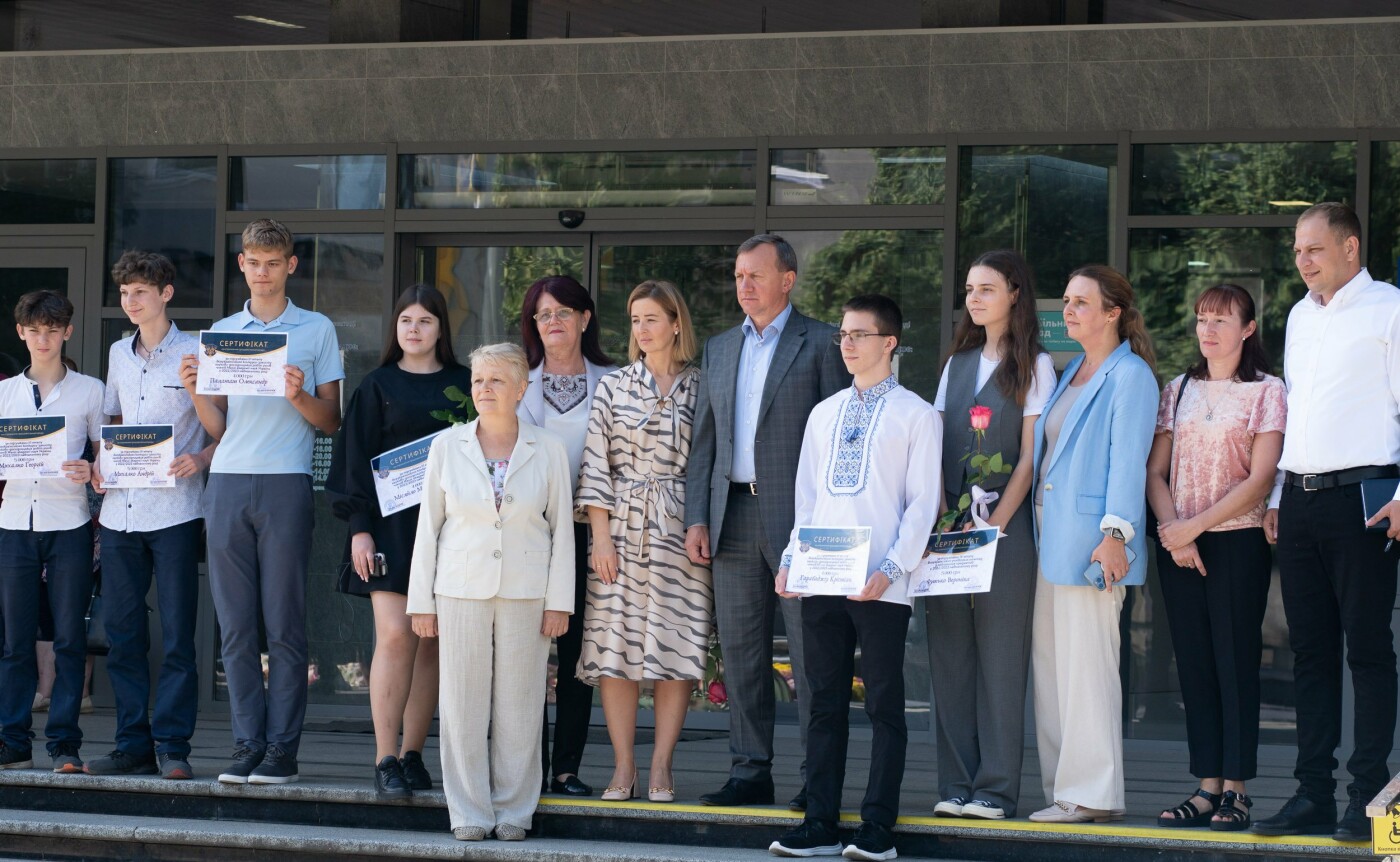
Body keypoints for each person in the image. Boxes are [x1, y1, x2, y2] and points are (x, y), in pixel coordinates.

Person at [768, 294, 941, 861]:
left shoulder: (917, 414)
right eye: (842, 334)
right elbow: (808, 499)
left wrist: (893, 570)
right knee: (822, 703)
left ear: (888, 342)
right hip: (822, 578)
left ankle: (877, 829)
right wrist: (793, 557)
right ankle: (819, 822)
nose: (846, 344)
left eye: (858, 335)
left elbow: (924, 504)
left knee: (885, 705)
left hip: (882, 584)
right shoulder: (824, 413)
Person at [685, 234, 849, 810]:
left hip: (800, 522)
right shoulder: (720, 347)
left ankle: (816, 778)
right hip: (731, 516)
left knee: (812, 655)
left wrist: (826, 523)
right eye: (737, 276)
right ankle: (750, 771)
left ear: (788, 279)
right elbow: (704, 441)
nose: (744, 286)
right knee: (743, 653)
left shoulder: (825, 343)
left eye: (756, 275)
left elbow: (836, 443)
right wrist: (696, 517)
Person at [1252, 202, 1400, 843]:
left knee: (1367, 652)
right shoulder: (1298, 317)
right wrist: (1280, 494)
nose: (1302, 260)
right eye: (1296, 250)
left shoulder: (1389, 307)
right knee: (1309, 653)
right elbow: (1301, 410)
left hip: (1368, 496)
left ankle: (1367, 798)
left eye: (1314, 248)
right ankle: (1312, 794)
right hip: (1304, 500)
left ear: (1350, 248)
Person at [181, 218, 343, 785]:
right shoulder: (222, 332)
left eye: (274, 262)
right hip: (226, 481)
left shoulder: (317, 329)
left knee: (285, 623)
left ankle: (283, 751)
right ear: (243, 265)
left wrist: (297, 394)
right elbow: (217, 427)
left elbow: (331, 422)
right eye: (254, 261)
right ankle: (247, 744)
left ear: (290, 266)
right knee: (234, 627)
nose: (263, 271)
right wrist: (195, 390)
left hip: (285, 481)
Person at [408, 343, 574, 842]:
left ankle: (515, 811)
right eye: (479, 380)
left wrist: (560, 601)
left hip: (527, 592)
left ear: (522, 389)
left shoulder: (548, 449)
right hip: (459, 590)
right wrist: (422, 602)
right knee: (461, 703)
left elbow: (562, 529)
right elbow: (428, 529)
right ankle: (469, 812)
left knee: (521, 704)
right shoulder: (446, 446)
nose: (484, 389)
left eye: (497, 380)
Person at [1146, 284, 1285, 831]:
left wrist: (1192, 528)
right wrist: (1172, 532)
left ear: (1247, 329)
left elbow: (1262, 477)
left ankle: (1237, 789)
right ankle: (1206, 786)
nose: (1208, 329)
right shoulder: (1176, 389)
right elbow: (1156, 472)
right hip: (1179, 544)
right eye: (1202, 317)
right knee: (1195, 664)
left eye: (1222, 320)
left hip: (1236, 542)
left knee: (1234, 663)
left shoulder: (1266, 391)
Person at [327, 284, 470, 798]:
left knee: (430, 643)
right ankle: (384, 757)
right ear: (396, 329)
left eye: (425, 321)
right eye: (405, 320)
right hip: (387, 529)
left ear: (440, 329)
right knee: (394, 637)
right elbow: (353, 463)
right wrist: (359, 531)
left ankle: (413, 754)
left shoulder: (466, 385)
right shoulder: (377, 385)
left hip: (451, 530)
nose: (414, 329)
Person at [927, 250, 1054, 821]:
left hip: (1006, 533)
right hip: (949, 530)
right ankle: (955, 784)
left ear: (1015, 295)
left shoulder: (1037, 366)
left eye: (986, 289)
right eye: (969, 289)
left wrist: (993, 526)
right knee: (949, 657)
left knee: (1002, 661)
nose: (973, 299)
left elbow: (1029, 460)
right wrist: (939, 516)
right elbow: (931, 447)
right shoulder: (956, 364)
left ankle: (996, 792)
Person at [1028, 265, 1157, 823]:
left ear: (1113, 312)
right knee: (1053, 669)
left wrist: (1116, 536)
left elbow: (1128, 464)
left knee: (1088, 672)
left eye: (1082, 302)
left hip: (1093, 546)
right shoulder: (1074, 368)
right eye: (1066, 301)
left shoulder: (1131, 376)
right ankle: (1065, 791)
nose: (1068, 310)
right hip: (1049, 541)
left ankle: (1091, 794)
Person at [575, 280, 712, 803]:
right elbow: (595, 464)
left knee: (675, 648)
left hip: (681, 529)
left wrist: (699, 523)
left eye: (652, 318)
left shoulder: (701, 386)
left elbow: (708, 463)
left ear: (676, 323)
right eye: (635, 320)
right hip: (622, 529)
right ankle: (624, 766)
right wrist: (601, 539)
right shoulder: (614, 385)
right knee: (616, 650)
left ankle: (661, 766)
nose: (642, 329)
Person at [83, 252, 214, 780]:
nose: (130, 301)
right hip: (119, 513)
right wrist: (99, 463)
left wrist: (199, 459)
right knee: (123, 631)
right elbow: (112, 422)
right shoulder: (117, 352)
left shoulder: (197, 351)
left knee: (180, 632)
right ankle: (131, 743)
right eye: (124, 293)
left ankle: (173, 747)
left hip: (177, 509)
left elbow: (221, 428)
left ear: (166, 294)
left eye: (140, 291)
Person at [519, 275, 617, 798]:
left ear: (584, 318)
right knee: (530, 650)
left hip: (591, 535)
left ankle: (566, 769)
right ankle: (528, 766)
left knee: (580, 654)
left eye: (563, 312)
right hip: (529, 536)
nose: (552, 321)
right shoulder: (516, 380)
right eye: (542, 314)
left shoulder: (616, 380)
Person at [0, 290, 104, 773]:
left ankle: (65, 743)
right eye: (34, 330)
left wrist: (90, 469)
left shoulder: (90, 390)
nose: (43, 339)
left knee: (68, 638)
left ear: (68, 332)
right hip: (14, 524)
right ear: (21, 333)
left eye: (52, 330)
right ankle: (14, 741)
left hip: (69, 525)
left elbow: (107, 458)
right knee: (16, 641)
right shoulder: (2, 394)